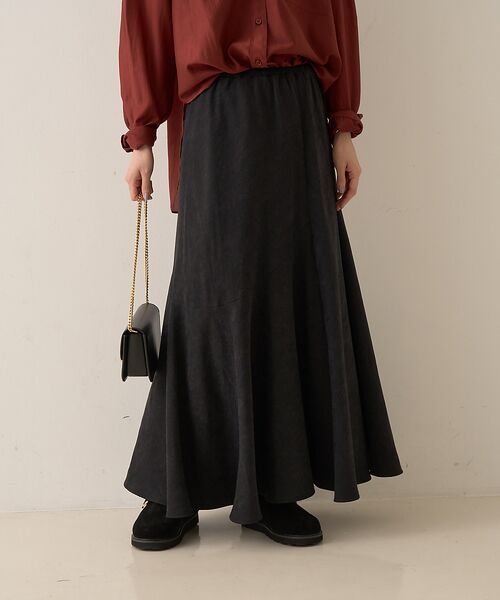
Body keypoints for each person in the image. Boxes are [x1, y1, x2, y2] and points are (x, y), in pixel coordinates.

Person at [118, 0, 403, 550]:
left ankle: (276, 485)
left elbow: (338, 14)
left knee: (287, 292)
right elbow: (145, 20)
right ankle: (173, 488)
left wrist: (343, 126)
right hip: (214, 112)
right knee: (204, 301)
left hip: (297, 112)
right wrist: (142, 136)